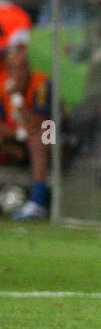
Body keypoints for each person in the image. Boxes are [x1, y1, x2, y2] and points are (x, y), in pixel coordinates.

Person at [0, 30, 51, 220]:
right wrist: (17, 135)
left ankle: (37, 203)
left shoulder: (41, 84)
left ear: (27, 68)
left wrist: (17, 98)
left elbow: (39, 123)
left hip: (52, 134)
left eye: (18, 69)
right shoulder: (4, 89)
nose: (14, 75)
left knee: (39, 140)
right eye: (10, 69)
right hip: (21, 138)